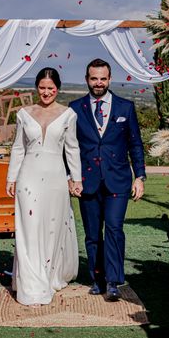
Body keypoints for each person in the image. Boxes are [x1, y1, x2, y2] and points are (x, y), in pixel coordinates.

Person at [69, 59, 146, 301]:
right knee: (92, 234)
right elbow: (69, 148)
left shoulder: (125, 107)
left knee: (114, 228)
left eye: (103, 78)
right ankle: (97, 278)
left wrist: (140, 176)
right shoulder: (74, 108)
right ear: (87, 79)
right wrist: (71, 178)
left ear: (110, 79)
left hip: (118, 180)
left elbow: (135, 144)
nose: (98, 83)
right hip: (87, 181)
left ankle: (113, 280)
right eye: (94, 78)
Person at [6, 67, 82, 305]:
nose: (46, 92)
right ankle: (31, 286)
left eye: (51, 88)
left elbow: (72, 148)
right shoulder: (24, 114)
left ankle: (49, 276)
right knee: (29, 227)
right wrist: (11, 177)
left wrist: (76, 178)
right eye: (42, 87)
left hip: (56, 179)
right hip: (28, 176)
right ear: (36, 87)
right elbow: (18, 147)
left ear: (57, 88)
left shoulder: (68, 114)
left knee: (52, 229)